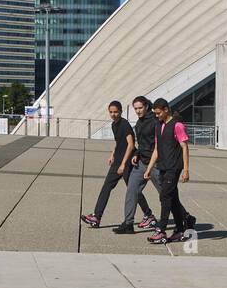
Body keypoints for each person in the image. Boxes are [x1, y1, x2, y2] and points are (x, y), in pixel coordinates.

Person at [82, 100, 146, 228]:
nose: (113, 114)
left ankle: (148, 215)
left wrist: (123, 164)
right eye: (111, 112)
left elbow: (131, 145)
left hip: (127, 161)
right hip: (117, 161)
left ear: (121, 112)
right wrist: (112, 154)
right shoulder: (114, 125)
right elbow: (118, 142)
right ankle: (96, 217)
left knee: (133, 190)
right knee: (107, 187)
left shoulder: (124, 124)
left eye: (116, 112)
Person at [144, 98, 193, 245]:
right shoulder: (159, 126)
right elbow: (157, 149)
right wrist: (149, 168)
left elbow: (184, 147)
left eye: (158, 113)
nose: (156, 115)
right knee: (173, 199)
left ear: (166, 109)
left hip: (174, 167)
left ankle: (161, 231)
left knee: (164, 196)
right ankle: (180, 230)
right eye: (155, 113)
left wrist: (186, 169)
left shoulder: (177, 125)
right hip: (163, 166)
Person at [112, 96, 158, 234]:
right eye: (135, 108)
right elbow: (142, 145)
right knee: (132, 189)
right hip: (142, 162)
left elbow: (158, 144)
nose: (138, 111)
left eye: (140, 108)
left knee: (166, 195)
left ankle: (185, 217)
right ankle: (128, 224)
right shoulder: (139, 123)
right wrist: (137, 154)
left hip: (156, 163)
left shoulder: (155, 122)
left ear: (146, 107)